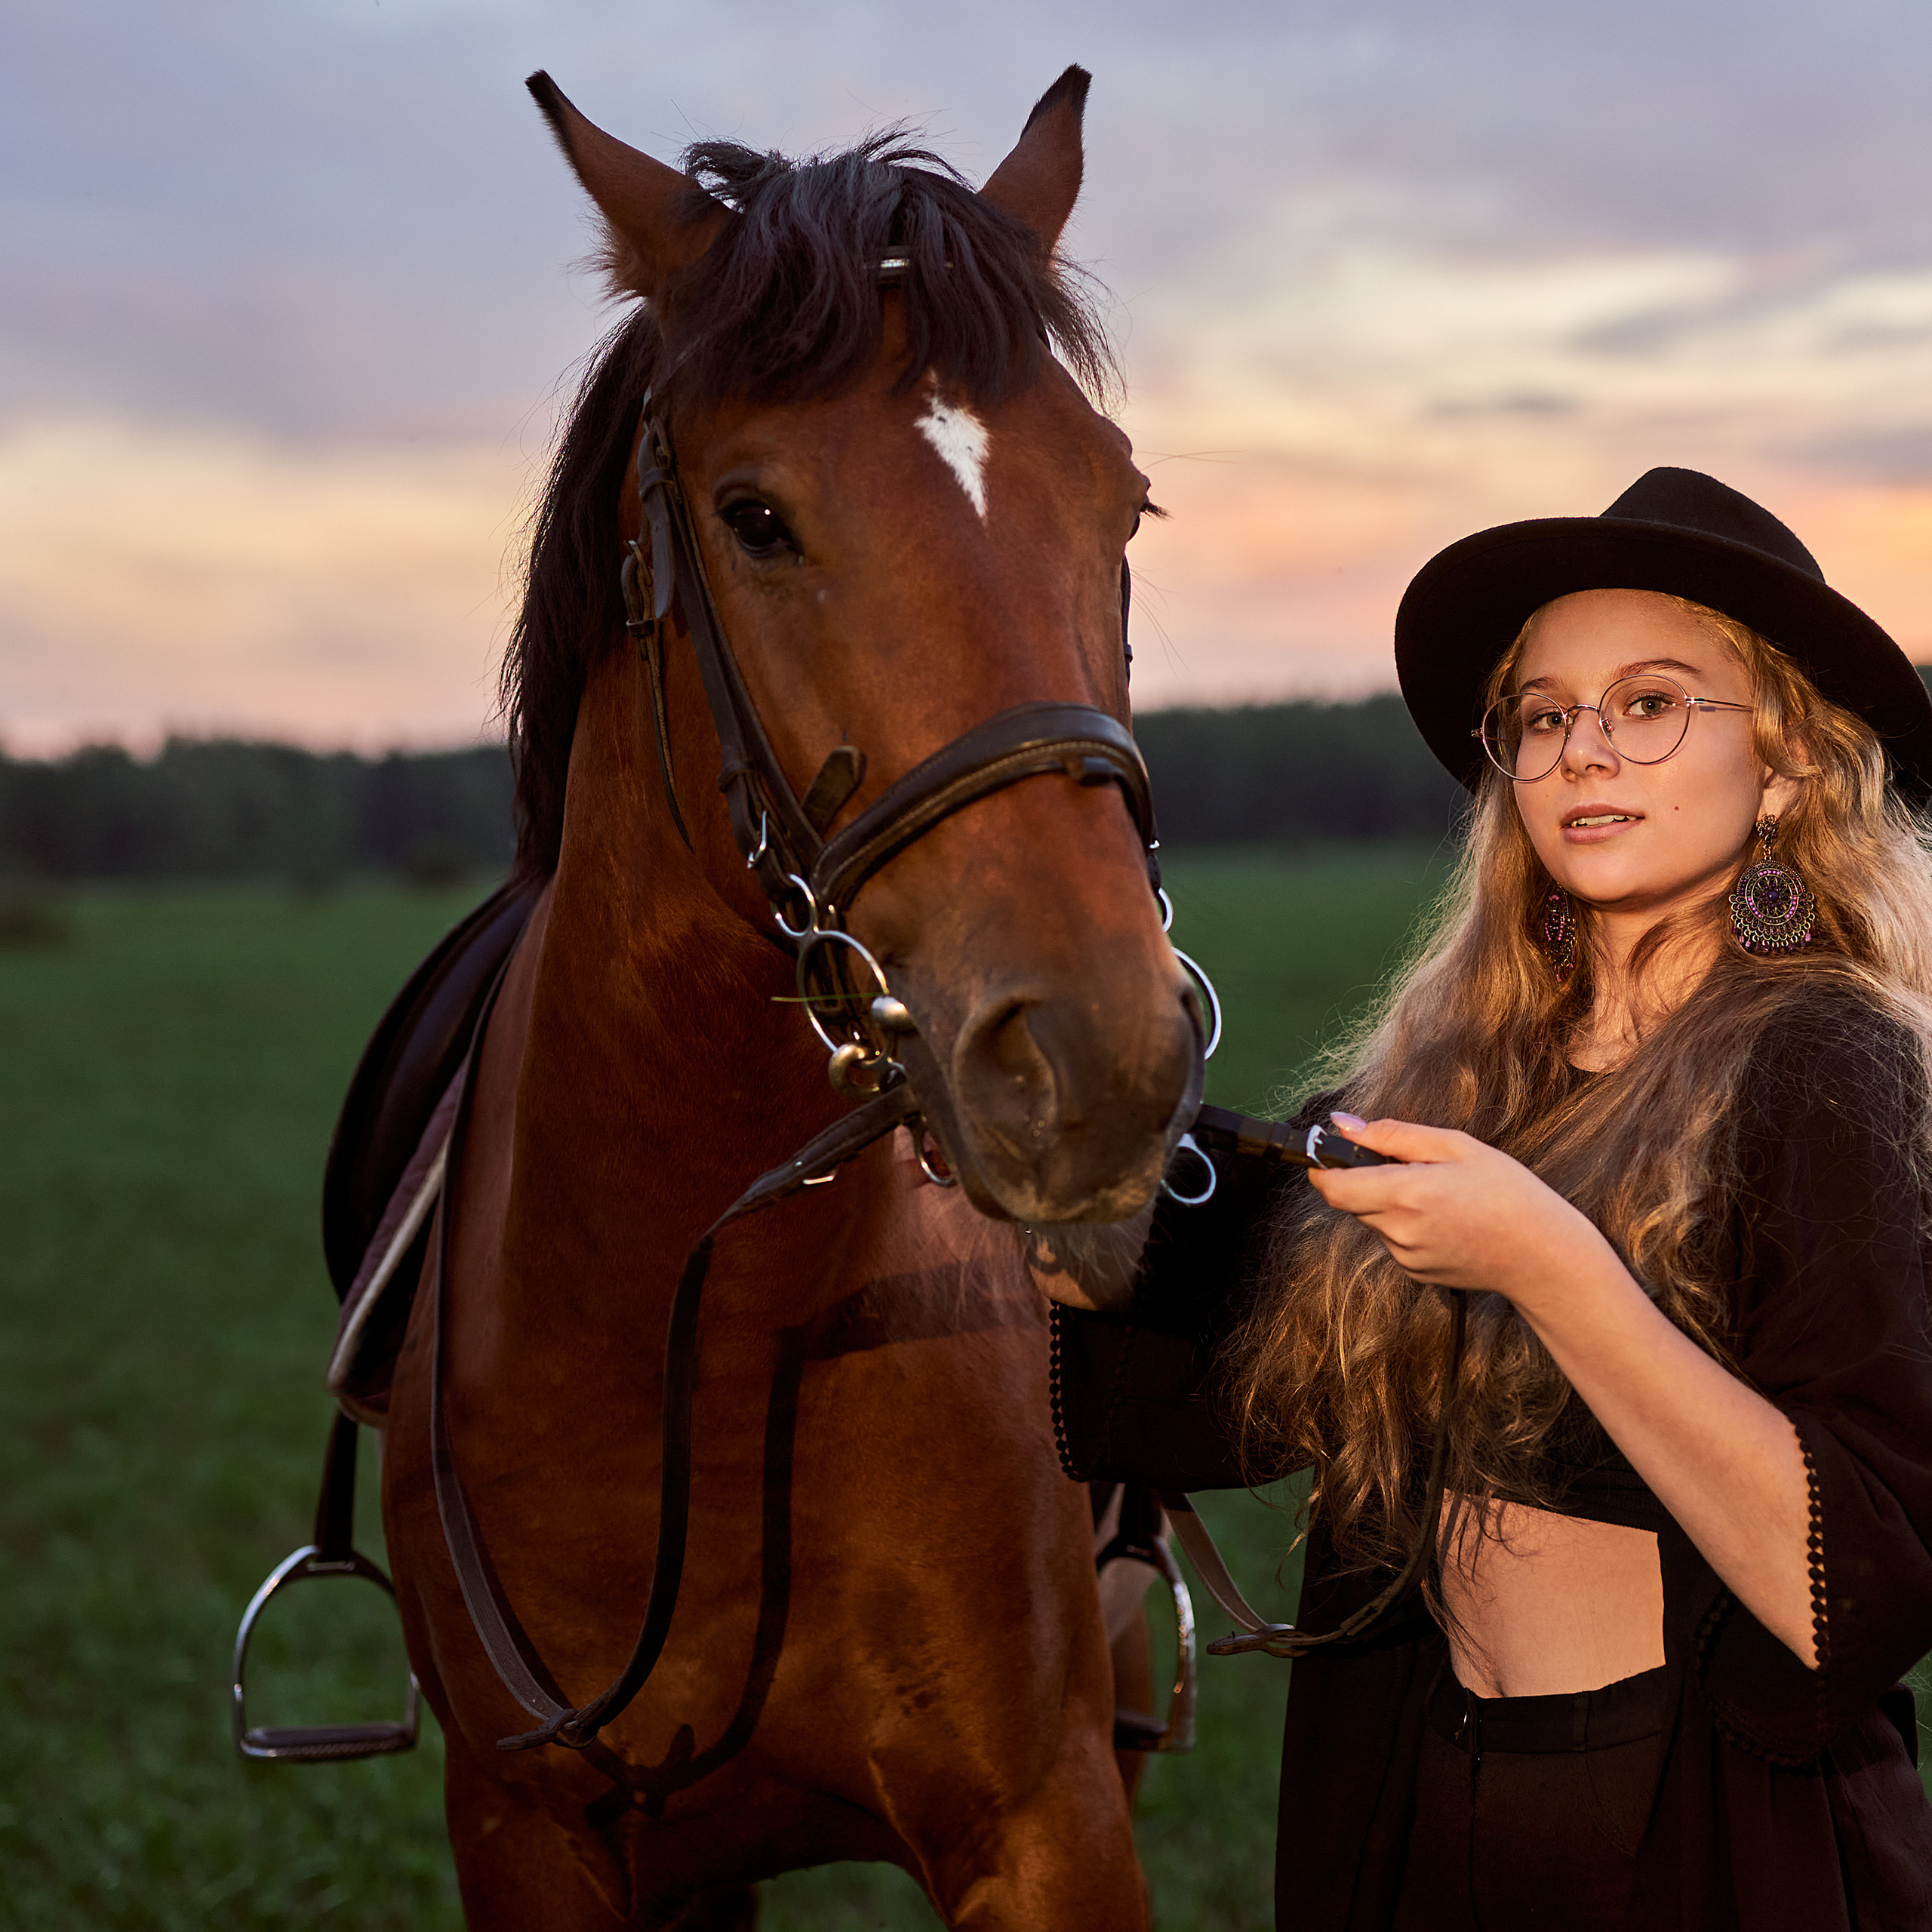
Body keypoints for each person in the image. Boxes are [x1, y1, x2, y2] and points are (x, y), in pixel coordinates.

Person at [1051, 468, 1932, 1928]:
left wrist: (1546, 1262)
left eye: (1652, 705)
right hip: (1415, 1801)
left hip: (1687, 1840)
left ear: (1781, 765)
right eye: (1542, 715)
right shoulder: (1456, 1060)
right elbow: (1258, 1372)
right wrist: (1073, 1216)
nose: (1585, 750)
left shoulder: (1830, 1065)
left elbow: (1852, 1581)